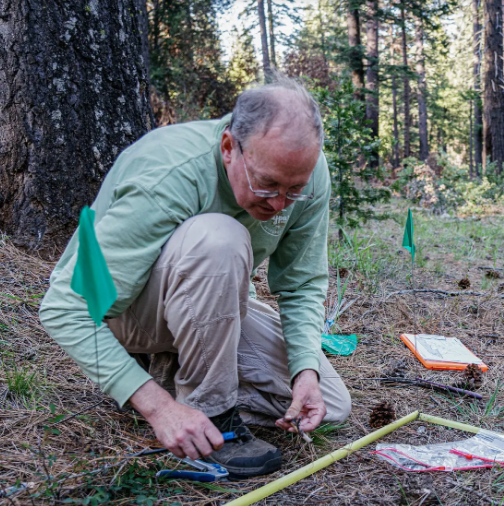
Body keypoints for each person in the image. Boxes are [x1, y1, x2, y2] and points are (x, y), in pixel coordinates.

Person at [39, 78, 352, 479]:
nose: (278, 203)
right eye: (267, 184)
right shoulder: (171, 171)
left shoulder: (306, 170)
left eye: (294, 190)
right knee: (220, 238)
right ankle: (210, 411)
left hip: (210, 306)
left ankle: (171, 380)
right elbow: (66, 308)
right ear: (229, 148)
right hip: (127, 316)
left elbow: (301, 284)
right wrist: (158, 409)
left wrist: (305, 370)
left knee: (330, 406)